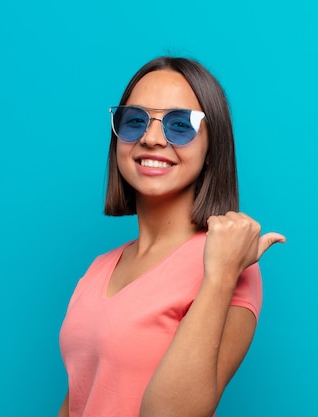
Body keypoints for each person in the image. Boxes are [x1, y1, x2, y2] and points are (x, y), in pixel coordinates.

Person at [58, 56, 285, 417]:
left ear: (213, 150)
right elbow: (79, 402)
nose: (150, 138)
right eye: (135, 121)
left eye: (180, 126)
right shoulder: (97, 270)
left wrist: (221, 275)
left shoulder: (229, 267)